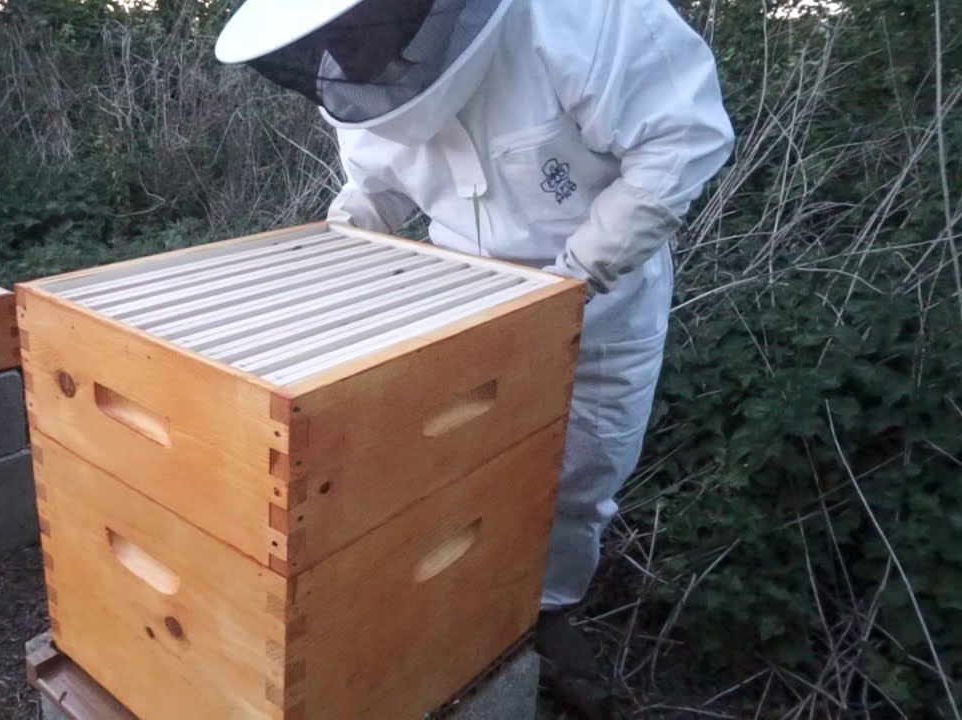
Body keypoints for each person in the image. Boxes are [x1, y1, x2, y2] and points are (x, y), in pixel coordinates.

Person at [215, 0, 735, 717]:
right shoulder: (356, 81)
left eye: (348, 29)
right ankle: (454, 612)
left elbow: (681, 139)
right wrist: (334, 247)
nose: (339, 54)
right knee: (453, 475)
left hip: (601, 306)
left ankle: (548, 612)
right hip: (458, 306)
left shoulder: (580, 19)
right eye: (324, 37)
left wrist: (575, 277)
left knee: (581, 473)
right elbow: (375, 187)